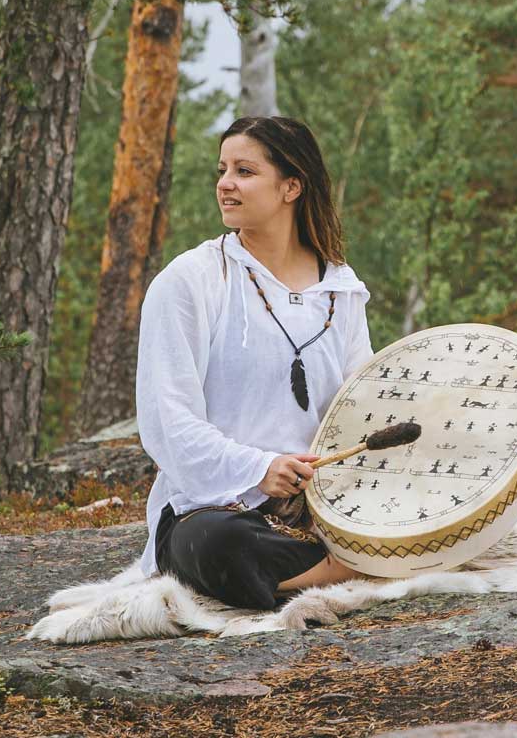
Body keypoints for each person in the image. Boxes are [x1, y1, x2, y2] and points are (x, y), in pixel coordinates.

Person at [130, 116, 373, 609]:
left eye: (244, 171)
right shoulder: (190, 280)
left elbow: (359, 403)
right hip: (217, 507)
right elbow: (167, 421)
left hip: (321, 506)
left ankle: (317, 565)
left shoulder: (339, 288)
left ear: (291, 186)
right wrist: (260, 468)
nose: (225, 184)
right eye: (222, 170)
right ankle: (350, 568)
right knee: (220, 544)